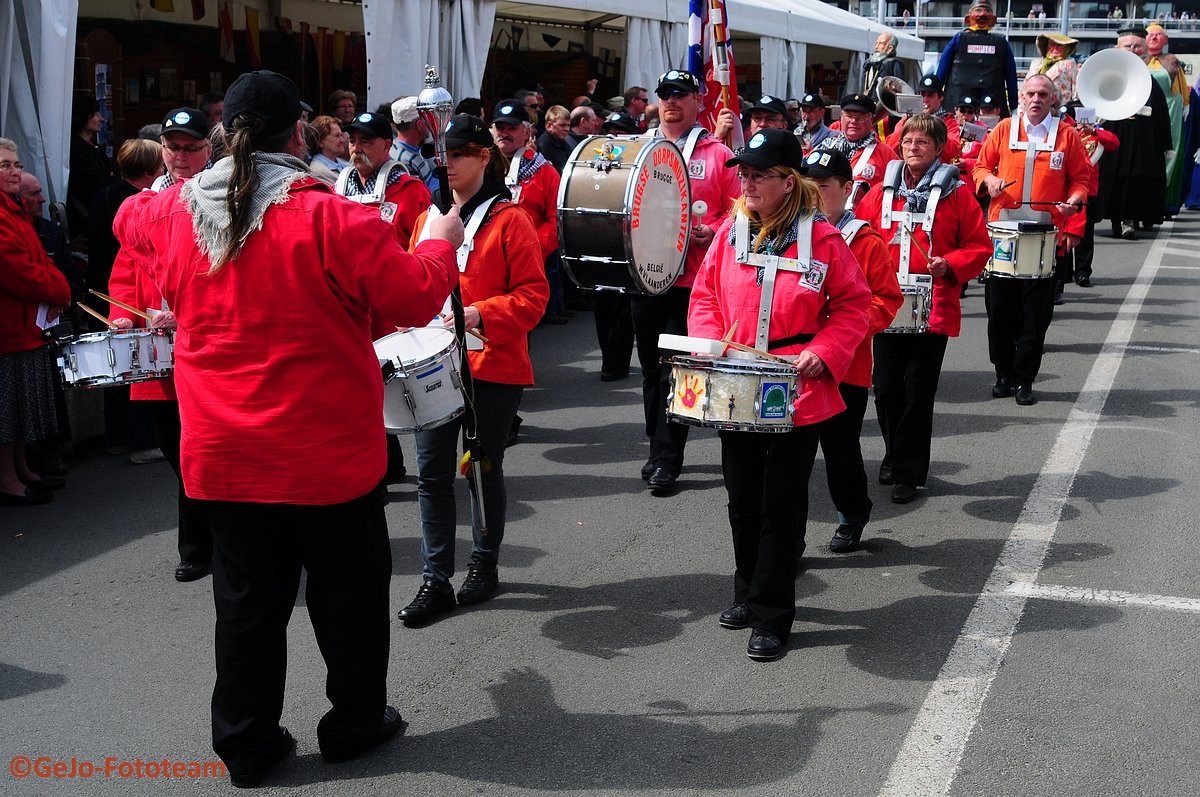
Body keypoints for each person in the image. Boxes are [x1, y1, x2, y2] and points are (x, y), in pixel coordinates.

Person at [112, 69, 463, 787]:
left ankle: (246, 741)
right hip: (325, 452)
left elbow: (128, 221)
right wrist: (439, 241)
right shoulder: (330, 217)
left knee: (246, 608)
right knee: (347, 600)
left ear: (221, 133)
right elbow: (413, 295)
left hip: (223, 452)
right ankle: (354, 722)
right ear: (297, 135)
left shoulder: (175, 211)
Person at [688, 129, 871, 660]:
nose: (745, 182)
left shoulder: (825, 239)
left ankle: (773, 615)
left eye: (757, 175)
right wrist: (706, 343)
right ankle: (747, 591)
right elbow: (705, 296)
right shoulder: (731, 230)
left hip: (797, 387)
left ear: (788, 182)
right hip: (736, 379)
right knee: (741, 499)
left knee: (779, 504)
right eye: (742, 173)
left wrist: (827, 350)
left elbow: (854, 307)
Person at [397, 114, 548, 626]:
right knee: (431, 474)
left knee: (482, 465)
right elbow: (413, 282)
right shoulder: (428, 218)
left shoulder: (511, 219)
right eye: (446, 155)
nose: (451, 163)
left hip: (492, 362)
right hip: (435, 363)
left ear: (485, 157)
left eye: (461, 153)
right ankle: (434, 578)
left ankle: (483, 562)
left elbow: (534, 296)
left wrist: (481, 312)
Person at [855, 114, 991, 504]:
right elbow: (857, 234)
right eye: (908, 142)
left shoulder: (958, 194)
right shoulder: (881, 190)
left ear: (938, 149)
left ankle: (910, 473)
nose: (914, 148)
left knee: (918, 392)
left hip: (933, 307)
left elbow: (979, 246)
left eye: (923, 143)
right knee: (884, 389)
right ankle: (893, 452)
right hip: (884, 302)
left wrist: (949, 263)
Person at [635, 69, 741, 492]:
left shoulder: (716, 153)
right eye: (665, 95)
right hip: (643, 277)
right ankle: (655, 446)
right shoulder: (640, 148)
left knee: (674, 371)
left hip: (691, 282)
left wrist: (711, 229)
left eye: (680, 94)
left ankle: (667, 458)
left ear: (698, 101)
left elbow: (738, 208)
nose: (672, 102)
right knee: (647, 370)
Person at [806, 148, 903, 552]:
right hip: (792, 362)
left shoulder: (864, 239)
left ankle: (851, 513)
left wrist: (839, 331)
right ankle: (788, 534)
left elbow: (886, 299)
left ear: (847, 189)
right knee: (792, 456)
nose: (814, 195)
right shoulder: (788, 234)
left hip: (845, 365)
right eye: (807, 185)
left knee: (840, 447)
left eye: (823, 186)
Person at [973, 74, 1090, 406]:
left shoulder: (1067, 136)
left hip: (1044, 236)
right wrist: (990, 181)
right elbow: (980, 167)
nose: (1036, 99)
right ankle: (1003, 373)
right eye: (1031, 93)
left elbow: (1080, 179)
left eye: (1043, 94)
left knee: (1035, 316)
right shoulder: (1003, 130)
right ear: (1021, 97)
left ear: (1053, 99)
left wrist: (1074, 202)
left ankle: (1025, 379)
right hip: (1003, 234)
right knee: (999, 312)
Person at [87, 139, 167, 465]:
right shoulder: (133, 204)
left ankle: (120, 438)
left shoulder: (112, 194)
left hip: (141, 305)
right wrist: (122, 312)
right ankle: (137, 441)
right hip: (138, 304)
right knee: (136, 375)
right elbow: (124, 269)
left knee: (128, 375)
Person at [0, 140, 72, 505]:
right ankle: (8, 478)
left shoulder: (13, 210)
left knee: (19, 412)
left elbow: (39, 261)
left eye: (16, 164)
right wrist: (60, 290)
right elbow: (17, 270)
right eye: (5, 165)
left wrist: (55, 285)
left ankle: (21, 468)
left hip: (24, 326)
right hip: (8, 328)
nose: (14, 171)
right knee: (8, 413)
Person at [490, 99, 564, 327]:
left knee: (517, 328)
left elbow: (555, 220)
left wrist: (529, 250)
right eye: (500, 128)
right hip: (486, 261)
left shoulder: (545, 172)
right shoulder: (479, 166)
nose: (505, 133)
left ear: (526, 132)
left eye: (512, 128)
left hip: (526, 262)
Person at [1099, 27, 1172, 239]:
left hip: (1142, 140)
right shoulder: (1105, 76)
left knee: (1141, 177)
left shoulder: (1152, 84)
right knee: (1114, 178)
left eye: (1137, 46)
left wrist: (1166, 144)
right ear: (1117, 49)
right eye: (1127, 46)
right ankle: (1118, 218)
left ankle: (1135, 217)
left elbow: (1162, 117)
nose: (1132, 49)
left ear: (1145, 50)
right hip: (1114, 138)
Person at [336, 111, 430, 244]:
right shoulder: (337, 189)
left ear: (386, 146)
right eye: (352, 141)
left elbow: (425, 247)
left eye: (365, 141)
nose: (356, 149)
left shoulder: (412, 191)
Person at [936, 2, 1020, 114]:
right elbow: (942, 70)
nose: (982, 14)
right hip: (958, 104)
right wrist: (935, 93)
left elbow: (1011, 76)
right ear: (968, 18)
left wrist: (1014, 106)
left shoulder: (1001, 42)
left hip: (991, 107)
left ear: (993, 19)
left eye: (987, 11)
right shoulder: (959, 39)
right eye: (978, 10)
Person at [824, 93, 899, 211]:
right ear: (841, 118)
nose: (854, 121)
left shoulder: (886, 154)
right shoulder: (825, 147)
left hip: (864, 222)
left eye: (860, 118)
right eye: (849, 116)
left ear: (871, 119)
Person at [1145, 23, 1190, 215]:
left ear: (1165, 40)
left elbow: (1180, 86)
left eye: (1158, 35)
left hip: (1170, 108)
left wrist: (1186, 106)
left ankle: (1166, 200)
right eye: (1150, 35)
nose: (1154, 38)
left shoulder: (1172, 61)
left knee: (1170, 151)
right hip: (1145, 109)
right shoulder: (1139, 60)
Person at [66, 95, 117, 240]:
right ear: (82, 117)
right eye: (95, 114)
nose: (101, 119)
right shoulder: (76, 151)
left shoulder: (94, 147)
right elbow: (97, 182)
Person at [886, 74, 963, 163]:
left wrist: (931, 124)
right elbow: (890, 147)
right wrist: (907, 122)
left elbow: (953, 151)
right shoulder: (908, 118)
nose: (925, 100)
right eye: (922, 95)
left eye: (930, 95)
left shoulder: (949, 121)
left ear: (940, 97)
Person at [388, 96, 440, 195]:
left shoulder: (412, 149)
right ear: (419, 125)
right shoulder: (403, 162)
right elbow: (420, 196)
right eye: (428, 118)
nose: (431, 122)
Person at [153, 107, 213, 191]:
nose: (181, 157)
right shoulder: (155, 189)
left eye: (191, 149)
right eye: (173, 148)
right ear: (162, 147)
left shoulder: (223, 191)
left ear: (209, 150)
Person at [1027, 33, 1080, 106]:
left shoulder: (1069, 64)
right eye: (1052, 45)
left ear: (1066, 48)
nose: (1055, 48)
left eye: (1059, 45)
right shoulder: (1036, 63)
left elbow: (1076, 89)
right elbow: (1025, 86)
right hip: (1035, 105)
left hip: (1059, 108)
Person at [307, 115, 349, 185]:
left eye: (341, 135)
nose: (342, 140)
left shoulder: (343, 163)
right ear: (320, 142)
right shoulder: (318, 171)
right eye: (337, 136)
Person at [862, 33, 907, 99]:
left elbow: (899, 87)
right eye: (876, 43)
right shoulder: (869, 63)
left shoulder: (894, 63)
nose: (876, 47)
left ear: (890, 48)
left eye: (880, 43)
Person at [537, 105, 576, 173]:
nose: (567, 129)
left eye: (568, 125)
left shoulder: (563, 143)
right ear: (549, 126)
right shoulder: (543, 146)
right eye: (562, 125)